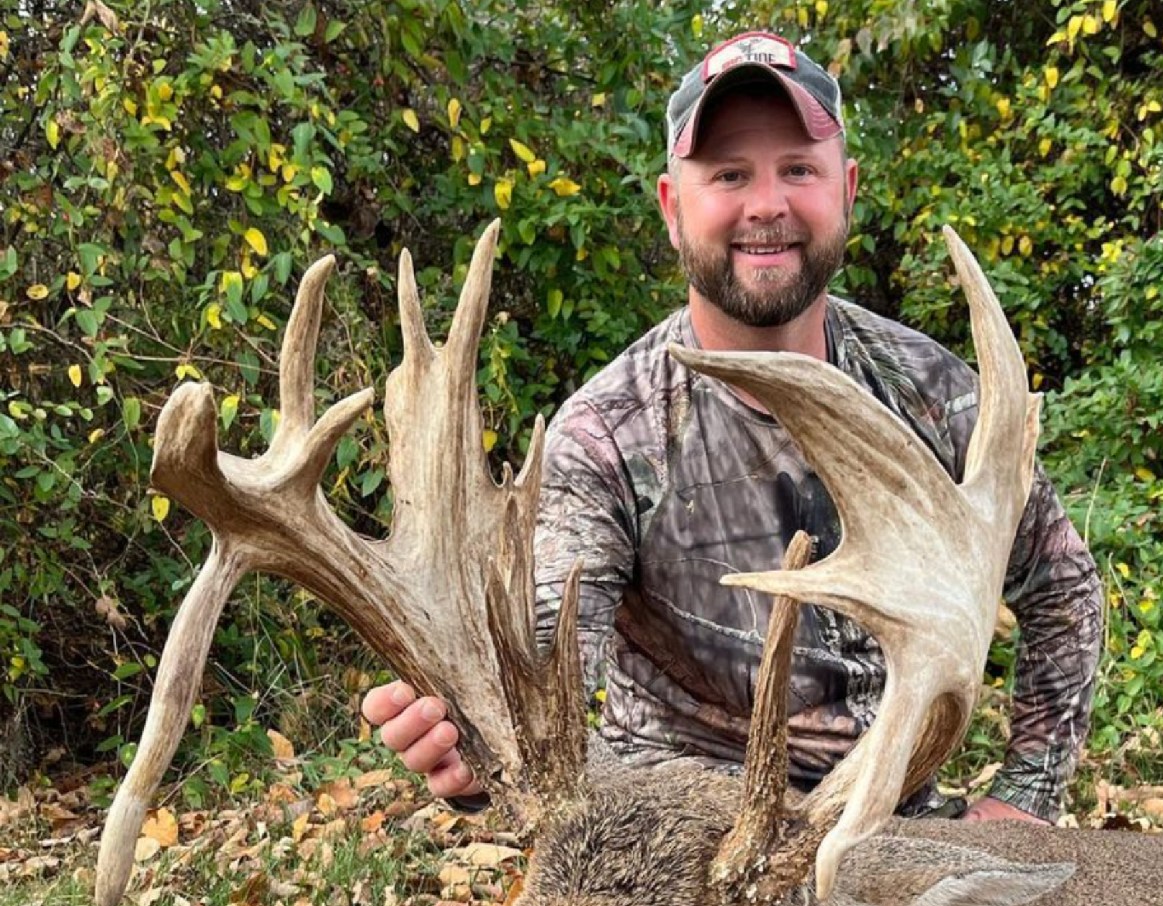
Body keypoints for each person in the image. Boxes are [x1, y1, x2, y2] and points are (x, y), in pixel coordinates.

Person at [363, 31, 1103, 825]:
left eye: (798, 170)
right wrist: (477, 753)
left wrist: (1025, 797)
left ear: (845, 189)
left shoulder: (932, 394)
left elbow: (1061, 588)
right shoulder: (609, 435)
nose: (766, 205)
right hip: (681, 850)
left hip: (887, 831)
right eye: (729, 175)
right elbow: (549, 660)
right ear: (672, 209)